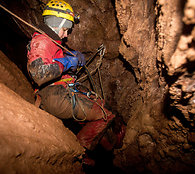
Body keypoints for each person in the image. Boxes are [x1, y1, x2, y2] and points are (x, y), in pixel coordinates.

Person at [26, 0, 125, 166]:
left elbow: (54, 59)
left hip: (60, 91)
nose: (66, 35)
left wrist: (72, 56)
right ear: (57, 23)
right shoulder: (41, 42)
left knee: (100, 104)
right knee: (104, 115)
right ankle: (81, 152)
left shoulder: (51, 42)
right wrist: (66, 62)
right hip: (52, 95)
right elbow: (39, 74)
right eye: (65, 29)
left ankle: (110, 146)